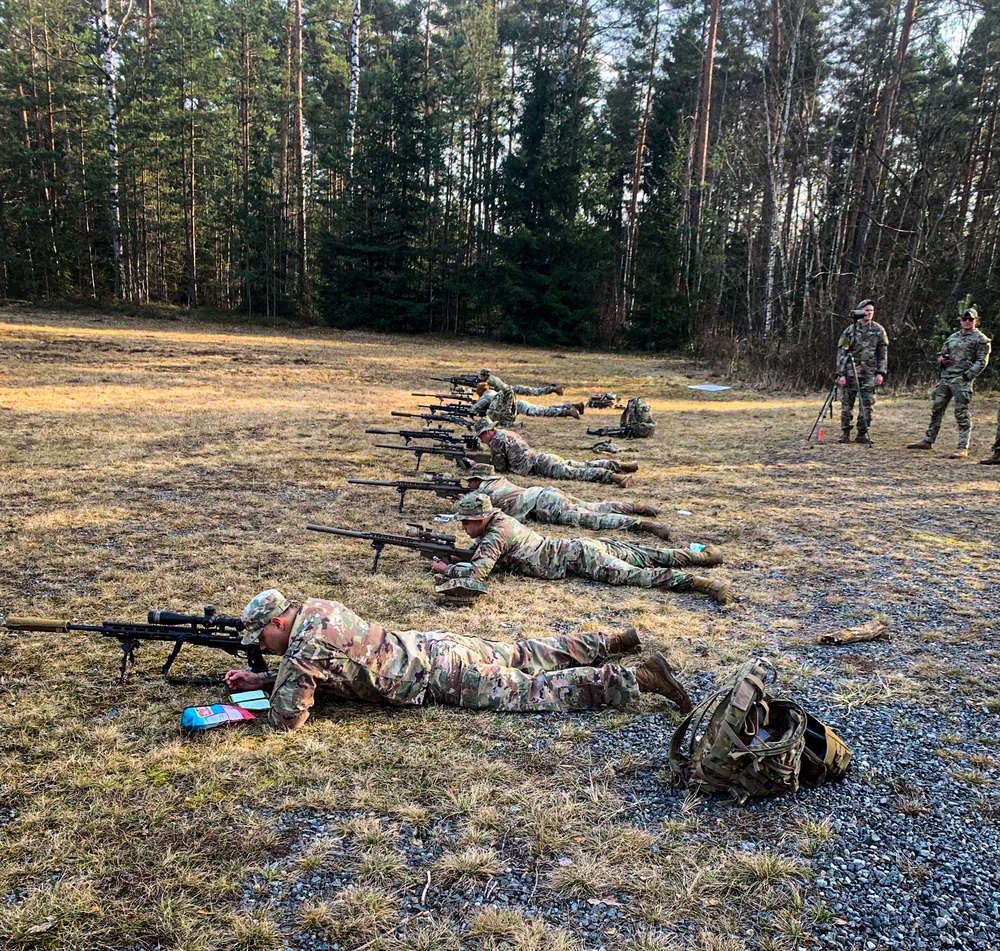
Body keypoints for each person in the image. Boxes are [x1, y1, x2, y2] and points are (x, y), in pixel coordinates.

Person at [224, 589, 693, 731]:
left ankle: (638, 679)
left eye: (261, 637)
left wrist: (259, 697)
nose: (259, 645)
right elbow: (322, 666)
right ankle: (608, 641)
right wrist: (260, 677)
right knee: (524, 652)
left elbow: (290, 718)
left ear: (279, 622)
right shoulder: (315, 610)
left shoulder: (303, 644)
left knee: (532, 690)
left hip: (438, 674)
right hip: (433, 644)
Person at [430, 495, 732, 604]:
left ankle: (700, 583)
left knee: (637, 575)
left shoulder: (496, 533)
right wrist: (461, 552)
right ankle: (704, 556)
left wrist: (448, 569)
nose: (462, 528)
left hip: (579, 558)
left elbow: (478, 574)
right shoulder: (500, 522)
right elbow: (485, 552)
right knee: (645, 553)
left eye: (466, 523)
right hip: (579, 548)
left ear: (480, 518)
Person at [461, 463, 671, 539]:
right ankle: (637, 507)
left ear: (478, 480)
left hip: (543, 505)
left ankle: (645, 525)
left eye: (471, 482)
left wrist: (459, 497)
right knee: (593, 507)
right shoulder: (499, 480)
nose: (470, 485)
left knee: (592, 519)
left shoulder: (483, 490)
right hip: (545, 493)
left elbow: (463, 509)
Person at [908, 307, 992, 458]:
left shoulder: (981, 339)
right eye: (964, 319)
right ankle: (928, 440)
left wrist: (967, 376)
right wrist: (942, 360)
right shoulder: (953, 337)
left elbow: (982, 361)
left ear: (976, 321)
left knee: (961, 413)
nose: (967, 322)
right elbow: (941, 354)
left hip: (961, 380)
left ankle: (962, 447)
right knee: (936, 409)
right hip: (946, 378)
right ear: (960, 320)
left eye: (970, 319)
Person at [472, 417, 637, 487]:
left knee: (575, 472)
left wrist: (477, 464)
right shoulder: (506, 433)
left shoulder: (497, 442)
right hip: (542, 457)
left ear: (488, 432)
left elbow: (499, 468)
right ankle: (622, 465)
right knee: (580, 464)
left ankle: (615, 477)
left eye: (481, 436)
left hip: (538, 465)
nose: (481, 440)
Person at [835, 299, 888, 443]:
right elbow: (842, 353)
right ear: (859, 311)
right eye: (866, 310)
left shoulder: (878, 330)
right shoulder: (850, 330)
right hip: (851, 373)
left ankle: (862, 433)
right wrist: (841, 374)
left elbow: (882, 354)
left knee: (867, 405)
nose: (869, 313)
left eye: (871, 310)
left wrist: (880, 372)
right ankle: (845, 433)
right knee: (847, 405)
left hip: (869, 373)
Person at [471, 384, 585, 421]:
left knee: (541, 411)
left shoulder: (485, 396)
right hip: (517, 404)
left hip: (514, 408)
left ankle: (568, 412)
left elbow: (475, 409)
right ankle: (573, 406)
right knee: (543, 408)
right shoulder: (493, 392)